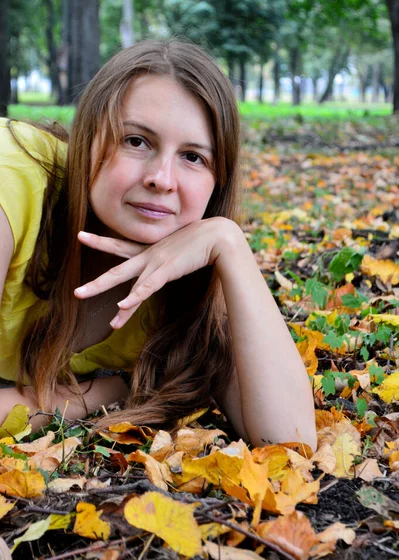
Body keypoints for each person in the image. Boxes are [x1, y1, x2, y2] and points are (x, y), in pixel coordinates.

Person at [0, 40, 317, 450]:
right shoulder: (14, 181)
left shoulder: (184, 297)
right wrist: (105, 393)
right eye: (136, 141)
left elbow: (288, 441)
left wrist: (228, 242)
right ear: (89, 139)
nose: (162, 178)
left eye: (193, 157)